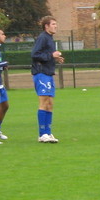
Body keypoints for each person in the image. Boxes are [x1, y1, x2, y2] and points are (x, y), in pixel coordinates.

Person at [31, 15, 64, 143]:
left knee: (50, 103)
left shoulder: (49, 38)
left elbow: (45, 56)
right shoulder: (43, 37)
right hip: (41, 73)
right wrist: (52, 54)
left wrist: (55, 58)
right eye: (53, 24)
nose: (56, 26)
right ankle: (42, 134)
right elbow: (35, 54)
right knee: (44, 102)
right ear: (46, 26)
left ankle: (48, 132)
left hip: (48, 74)